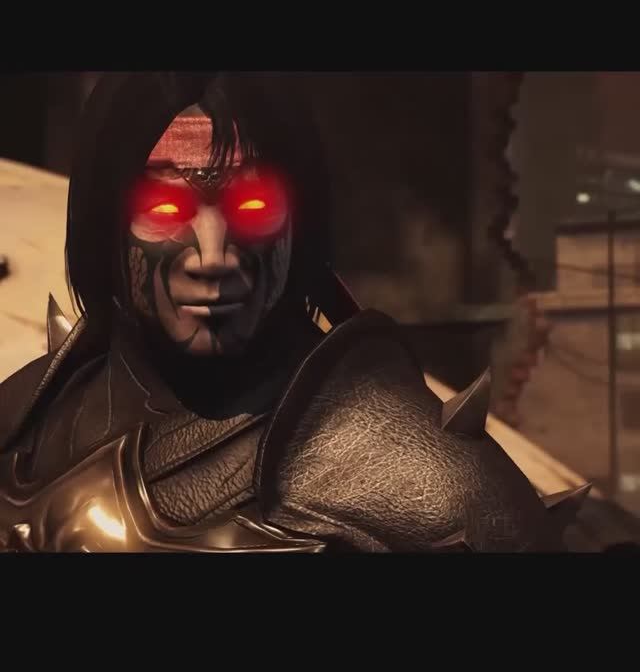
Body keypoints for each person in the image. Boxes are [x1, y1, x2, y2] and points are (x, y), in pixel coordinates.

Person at [0, 72, 577, 553]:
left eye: (253, 204)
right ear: (105, 220)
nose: (213, 255)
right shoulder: (26, 420)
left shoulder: (423, 482)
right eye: (166, 206)